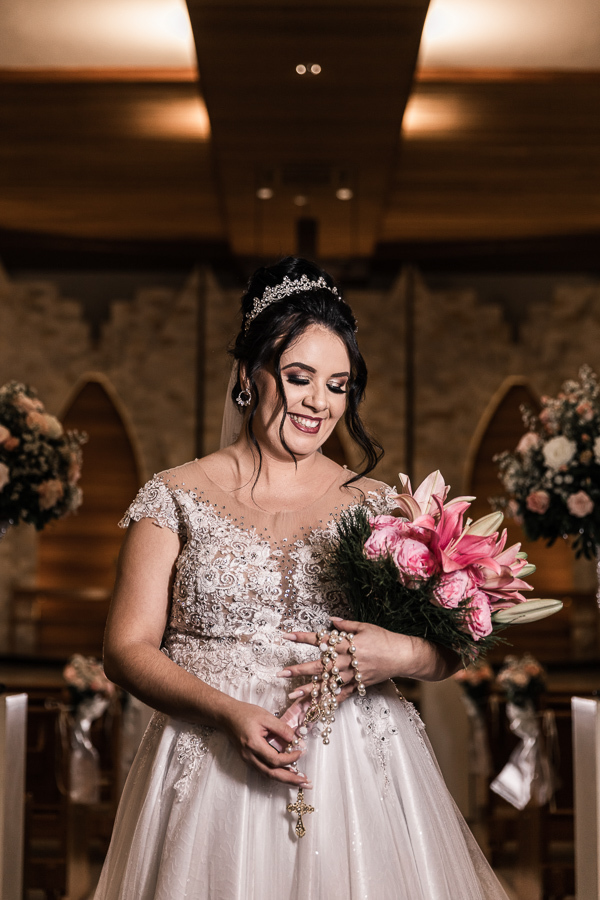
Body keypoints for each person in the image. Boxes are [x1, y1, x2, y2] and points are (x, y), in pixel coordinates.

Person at [95, 257, 509, 899]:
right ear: (248, 376)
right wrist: (228, 712)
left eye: (338, 385)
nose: (320, 402)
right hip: (210, 762)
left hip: (353, 770)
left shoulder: (377, 506)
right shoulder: (173, 497)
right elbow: (125, 649)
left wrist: (395, 653)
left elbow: (456, 643)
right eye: (299, 378)